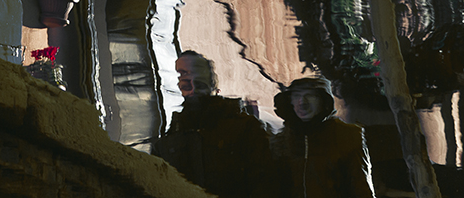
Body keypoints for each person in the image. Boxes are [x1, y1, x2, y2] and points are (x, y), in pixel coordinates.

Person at [151, 51, 274, 198]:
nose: (189, 80)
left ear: (209, 81)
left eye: (195, 73)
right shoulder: (171, 138)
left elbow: (264, 183)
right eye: (182, 74)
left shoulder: (245, 128)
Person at [271, 77, 374, 198]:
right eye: (296, 96)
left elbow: (362, 188)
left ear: (323, 100)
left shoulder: (347, 136)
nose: (302, 102)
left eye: (310, 96)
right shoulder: (282, 140)